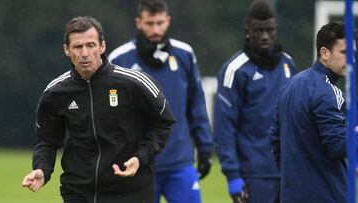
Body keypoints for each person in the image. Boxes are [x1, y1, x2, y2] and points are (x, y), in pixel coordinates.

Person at [21, 16, 175, 203]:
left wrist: (141, 157)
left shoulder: (134, 83)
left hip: (131, 192)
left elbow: (163, 122)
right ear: (67, 50)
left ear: (102, 47)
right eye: (78, 47)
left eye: (91, 45)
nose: (85, 53)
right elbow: (47, 140)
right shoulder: (56, 93)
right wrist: (42, 169)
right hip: (78, 192)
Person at [108, 0, 213, 203]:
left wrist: (205, 146)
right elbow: (112, 116)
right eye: (149, 23)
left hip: (180, 162)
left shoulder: (184, 54)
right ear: (138, 22)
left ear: (168, 21)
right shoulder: (120, 59)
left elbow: (196, 105)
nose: (155, 29)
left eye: (160, 22)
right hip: (138, 165)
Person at [213, 0, 295, 202]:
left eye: (269, 30)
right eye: (258, 31)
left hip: (289, 173)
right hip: (254, 175)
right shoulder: (234, 70)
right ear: (247, 31)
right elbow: (224, 127)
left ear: (275, 29)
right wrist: (232, 175)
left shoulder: (287, 63)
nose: (265, 36)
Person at [269, 22, 350, 203]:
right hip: (326, 195)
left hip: (291, 195)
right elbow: (338, 146)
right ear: (324, 53)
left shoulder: (290, 86)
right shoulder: (328, 92)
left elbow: (275, 139)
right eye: (344, 53)